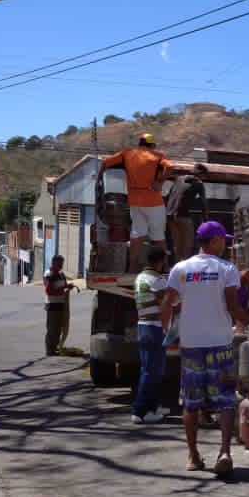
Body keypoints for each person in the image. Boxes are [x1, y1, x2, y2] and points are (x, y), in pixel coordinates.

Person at [160, 221, 249, 475]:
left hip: (192, 344)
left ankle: (193, 456)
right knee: (226, 400)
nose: (226, 244)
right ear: (215, 240)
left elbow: (167, 303)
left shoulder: (181, 268)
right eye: (224, 240)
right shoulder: (227, 269)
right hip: (219, 342)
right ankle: (224, 452)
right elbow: (232, 307)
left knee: (190, 402)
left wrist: (168, 332)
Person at [99, 133, 172, 271]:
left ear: (140, 143)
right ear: (152, 145)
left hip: (135, 202)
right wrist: (159, 181)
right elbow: (169, 166)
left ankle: (132, 267)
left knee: (137, 235)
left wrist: (98, 178)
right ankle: (166, 267)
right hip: (154, 202)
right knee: (158, 236)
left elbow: (105, 163)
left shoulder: (127, 154)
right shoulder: (157, 156)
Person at [132, 246, 171, 425]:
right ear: (160, 261)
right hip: (153, 328)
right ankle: (141, 411)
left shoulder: (140, 277)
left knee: (153, 370)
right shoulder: (158, 280)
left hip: (144, 326)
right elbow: (167, 305)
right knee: (150, 371)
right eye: (164, 260)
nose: (165, 264)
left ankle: (153, 406)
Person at [166, 162, 209, 262]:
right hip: (183, 215)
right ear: (201, 174)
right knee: (187, 243)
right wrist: (205, 220)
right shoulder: (198, 183)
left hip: (170, 216)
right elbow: (203, 203)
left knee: (177, 244)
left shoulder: (178, 179)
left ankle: (176, 268)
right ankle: (186, 268)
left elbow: (168, 196)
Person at [43, 254, 74, 355]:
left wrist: (68, 287)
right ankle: (49, 349)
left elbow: (64, 285)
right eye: (59, 263)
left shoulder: (61, 274)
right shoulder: (49, 274)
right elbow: (49, 290)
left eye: (62, 263)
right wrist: (62, 290)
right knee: (52, 328)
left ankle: (55, 347)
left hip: (61, 303)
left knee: (59, 328)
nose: (61, 265)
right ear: (53, 263)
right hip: (52, 304)